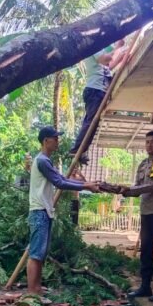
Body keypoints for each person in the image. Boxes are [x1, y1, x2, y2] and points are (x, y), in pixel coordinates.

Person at [28, 126, 100, 294]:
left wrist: (85, 185)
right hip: (39, 210)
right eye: (55, 138)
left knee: (41, 252)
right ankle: (32, 291)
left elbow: (60, 178)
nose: (58, 142)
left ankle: (36, 288)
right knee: (36, 253)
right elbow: (59, 183)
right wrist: (86, 185)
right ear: (46, 141)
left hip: (43, 210)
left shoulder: (45, 160)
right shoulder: (42, 161)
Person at [118, 131, 153, 302]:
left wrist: (129, 190)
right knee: (146, 251)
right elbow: (137, 188)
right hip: (146, 213)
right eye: (147, 142)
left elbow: (152, 186)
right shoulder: (142, 164)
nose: (149, 145)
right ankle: (145, 286)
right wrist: (123, 191)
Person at [70, 41, 127, 163]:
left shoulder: (98, 51)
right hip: (95, 90)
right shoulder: (93, 48)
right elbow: (106, 59)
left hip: (98, 90)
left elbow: (108, 67)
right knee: (91, 122)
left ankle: (81, 150)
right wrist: (117, 47)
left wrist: (121, 59)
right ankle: (77, 149)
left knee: (93, 123)